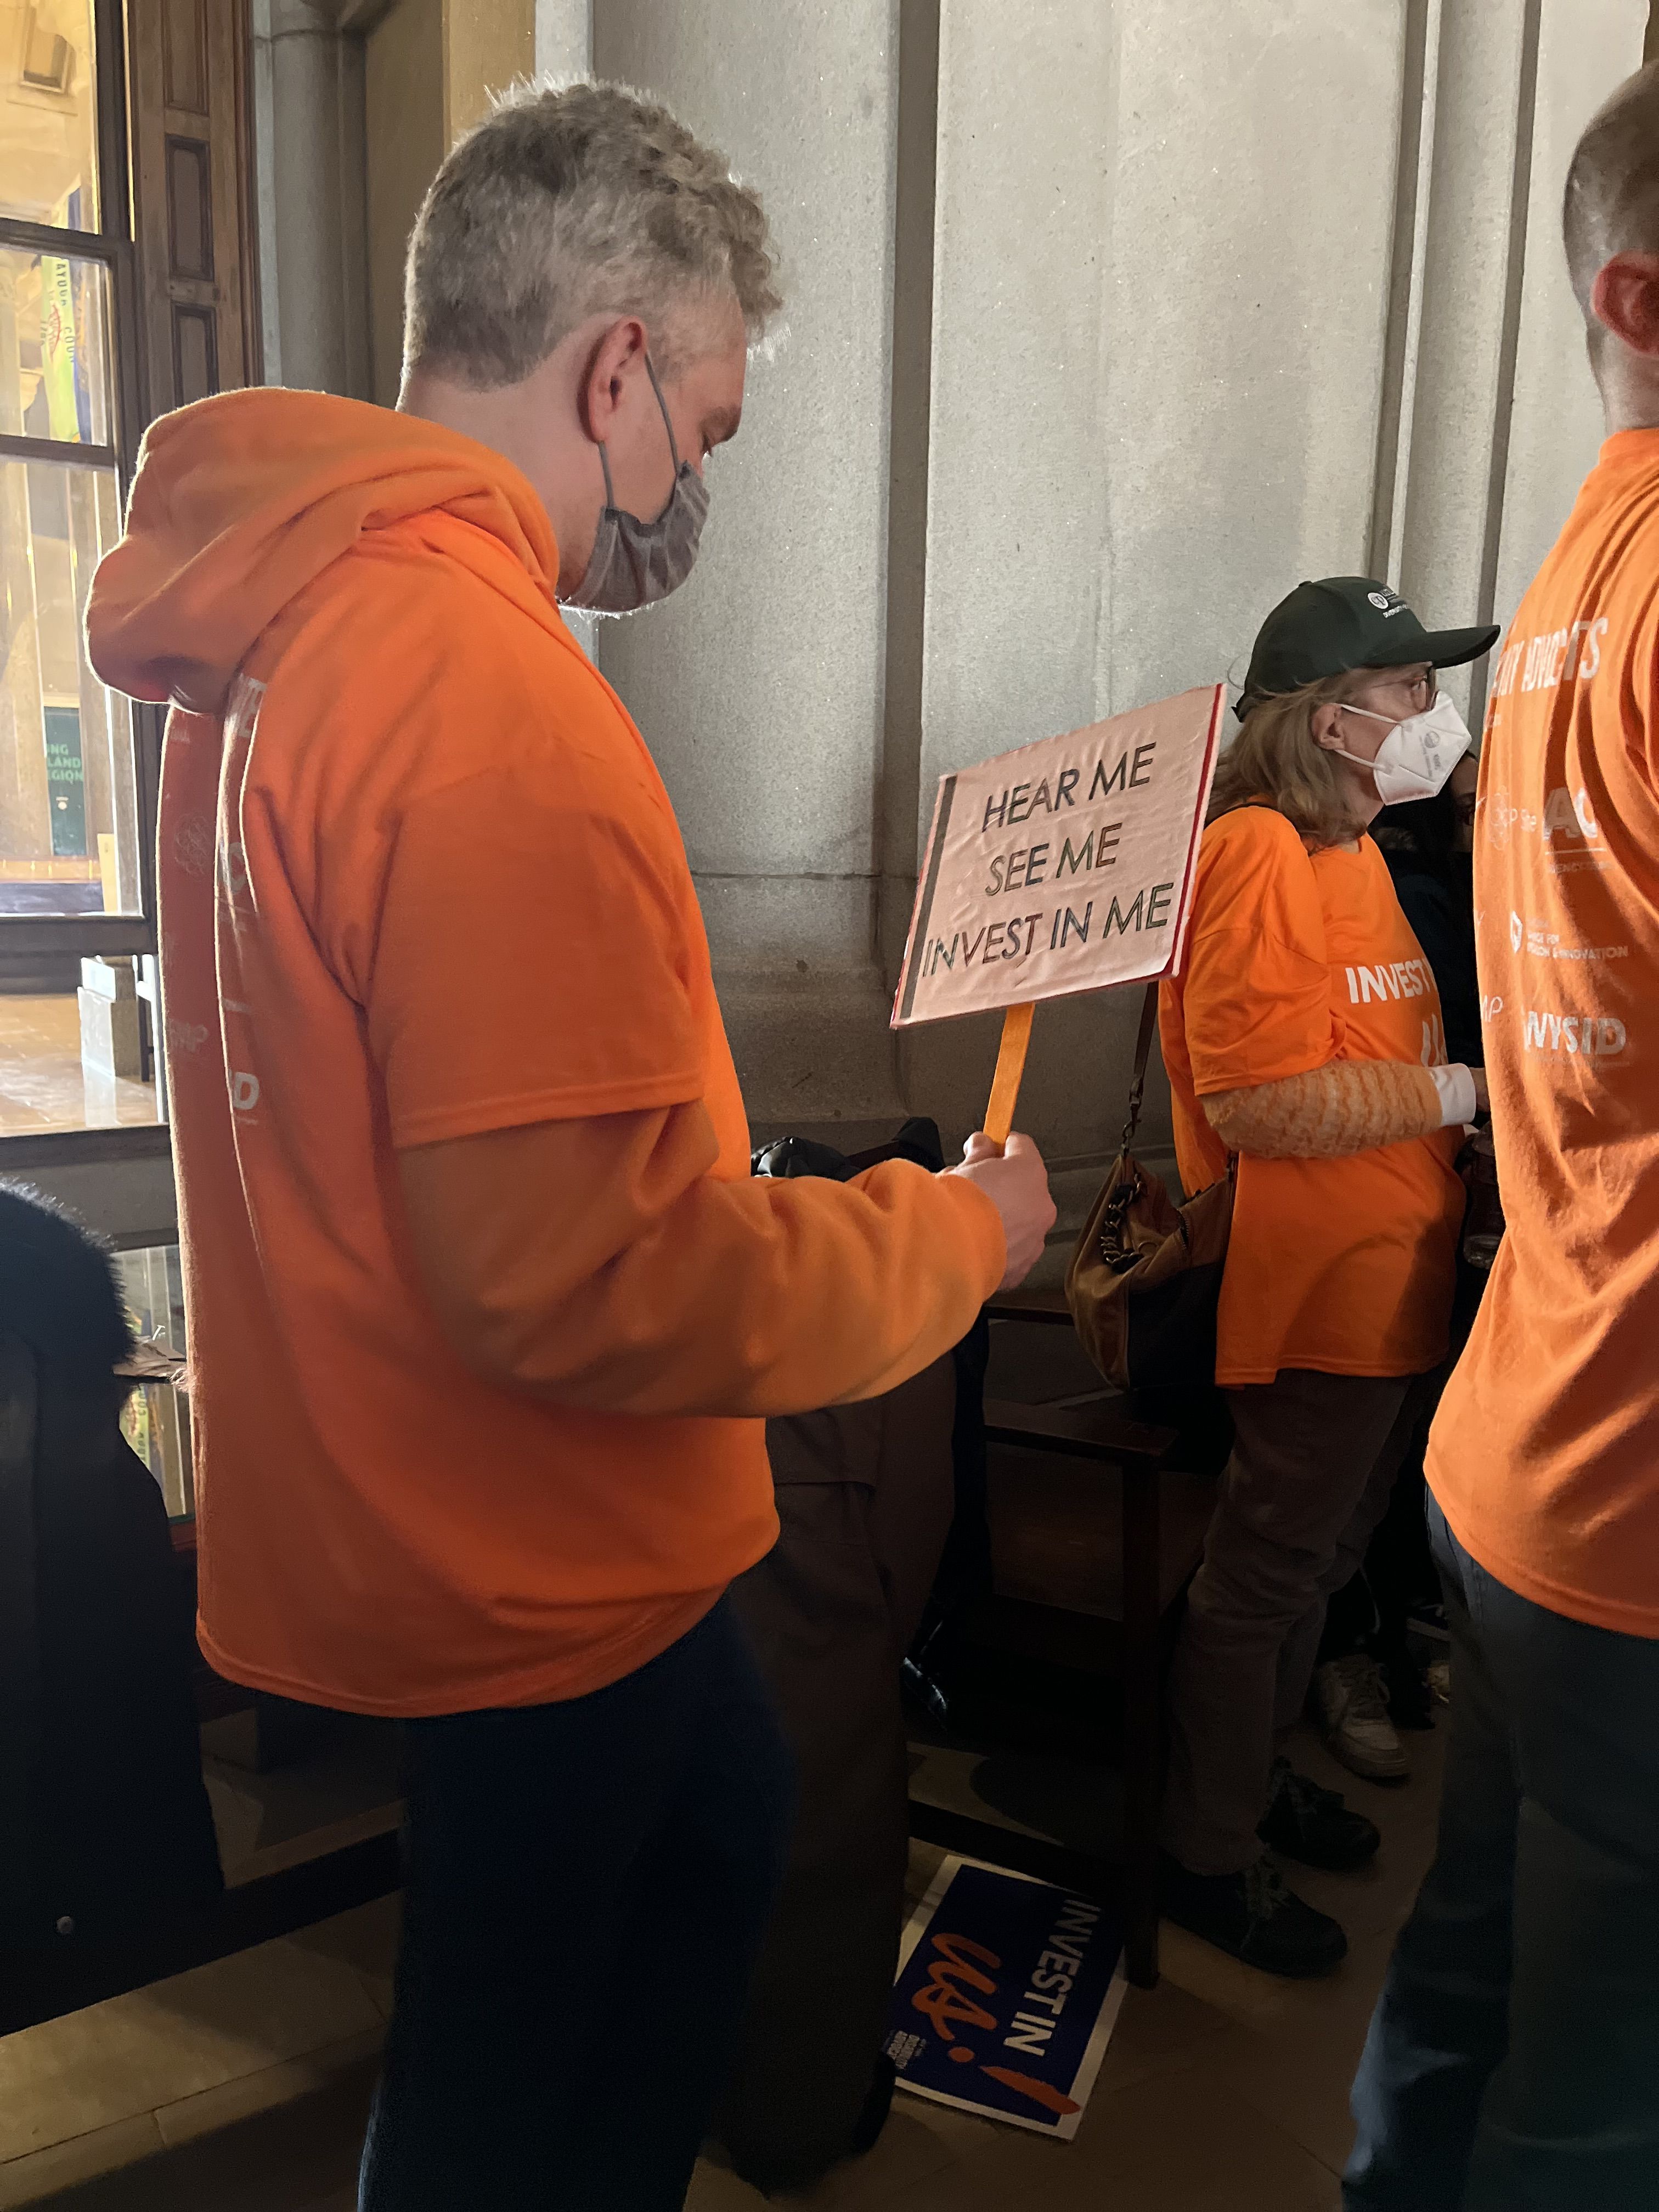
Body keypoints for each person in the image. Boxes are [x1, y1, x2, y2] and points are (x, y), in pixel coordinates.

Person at [85, 82, 1055, 2211]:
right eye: (701, 428)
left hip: (462, 1509)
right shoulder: (483, 696)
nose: (691, 487)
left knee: (692, 1861)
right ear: (615, 369)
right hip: (538, 1556)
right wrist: (950, 1239)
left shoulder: (287, 637)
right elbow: (594, 1279)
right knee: (516, 2099)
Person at [1347, 63, 1659, 2211]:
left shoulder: (1573, 574)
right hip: (1631, 1489)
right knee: (1600, 2106)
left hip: (1540, 1428)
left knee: (1468, 1988)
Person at [1156, 575, 1494, 1977]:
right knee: (1264, 1580)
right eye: (1410, 686)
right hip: (1314, 1297)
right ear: (1329, 717)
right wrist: (1460, 1093)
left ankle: (1250, 1784)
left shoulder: (1355, 853)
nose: (1435, 708)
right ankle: (1205, 1853)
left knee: (1321, 1567)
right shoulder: (1252, 853)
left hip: (1392, 1281)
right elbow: (1258, 1102)